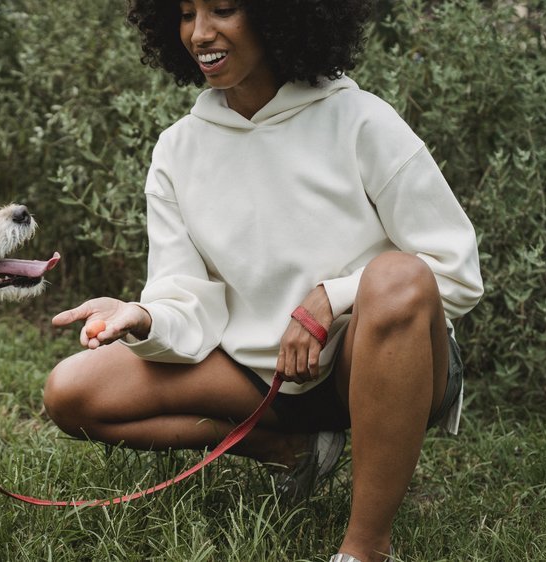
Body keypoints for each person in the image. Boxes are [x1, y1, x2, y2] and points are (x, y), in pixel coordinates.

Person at [44, 1, 484, 561]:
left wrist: (332, 299)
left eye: (224, 9)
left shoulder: (361, 119)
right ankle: (291, 449)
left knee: (397, 276)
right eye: (184, 13)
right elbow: (187, 298)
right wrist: (146, 316)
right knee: (72, 392)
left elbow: (454, 270)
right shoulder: (179, 149)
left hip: (376, 366)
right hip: (262, 377)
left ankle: (366, 547)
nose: (200, 33)